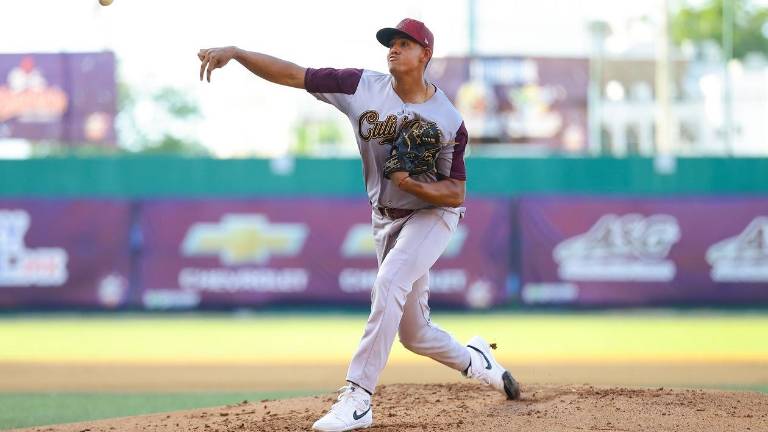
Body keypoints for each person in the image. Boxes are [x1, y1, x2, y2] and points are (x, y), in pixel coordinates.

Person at [198, 18, 520, 432]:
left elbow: (456, 193)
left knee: (388, 284)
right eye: (390, 43)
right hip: (384, 218)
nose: (393, 49)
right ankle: (479, 361)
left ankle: (358, 398)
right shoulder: (360, 87)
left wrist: (411, 183)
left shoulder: (449, 120)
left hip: (432, 216)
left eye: (405, 44)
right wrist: (239, 54)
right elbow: (295, 75)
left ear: (426, 55)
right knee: (415, 334)